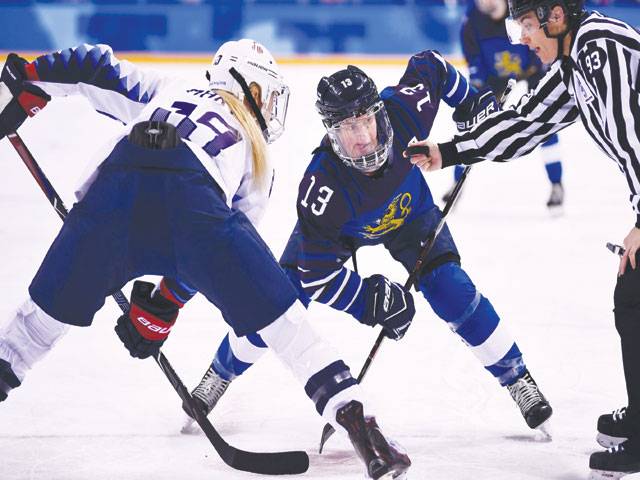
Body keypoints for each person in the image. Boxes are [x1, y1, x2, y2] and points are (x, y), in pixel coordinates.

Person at [0, 40, 411, 479]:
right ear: (250, 84)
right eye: (268, 96)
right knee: (285, 325)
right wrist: (161, 305)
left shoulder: (167, 87)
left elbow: (94, 67)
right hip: (194, 202)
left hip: (115, 195)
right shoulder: (258, 157)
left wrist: (29, 78)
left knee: (38, 323)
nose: (270, 109)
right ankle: (359, 424)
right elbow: (219, 261)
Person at [177, 49, 554, 437]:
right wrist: (369, 299)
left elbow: (433, 66)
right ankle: (218, 374)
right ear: (330, 131)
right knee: (277, 305)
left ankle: (517, 379)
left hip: (411, 217)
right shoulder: (321, 188)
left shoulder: (406, 110)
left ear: (379, 112)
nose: (360, 137)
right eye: (346, 128)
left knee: (451, 288)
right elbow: (315, 276)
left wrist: (471, 101)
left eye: (365, 121)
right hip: (343, 233)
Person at [414, 0, 640, 477]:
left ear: (556, 16)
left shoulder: (599, 47)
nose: (522, 40)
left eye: (529, 27)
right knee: (633, 296)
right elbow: (525, 125)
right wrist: (448, 152)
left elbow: (633, 138)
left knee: (635, 292)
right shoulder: (574, 62)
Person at [442, 0, 565, 211]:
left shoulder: (523, 10)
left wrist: (536, 65)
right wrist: (479, 87)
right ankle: (456, 184)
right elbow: (474, 61)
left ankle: (556, 184)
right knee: (471, 125)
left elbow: (538, 37)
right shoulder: (471, 22)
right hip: (493, 77)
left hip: (532, 71)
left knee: (545, 122)